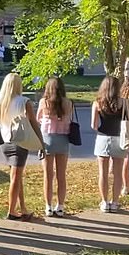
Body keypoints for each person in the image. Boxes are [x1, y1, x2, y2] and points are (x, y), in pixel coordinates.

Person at [0, 73, 45, 221]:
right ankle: (11, 210)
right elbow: (33, 123)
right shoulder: (24, 101)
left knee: (16, 176)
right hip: (19, 141)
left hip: (4, 141)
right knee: (16, 177)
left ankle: (22, 208)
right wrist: (41, 142)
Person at [36, 77, 72, 217]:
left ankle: (48, 206)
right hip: (63, 139)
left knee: (48, 175)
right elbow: (69, 119)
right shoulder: (68, 103)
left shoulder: (44, 102)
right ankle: (61, 206)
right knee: (61, 175)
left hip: (47, 139)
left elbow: (38, 118)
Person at [91, 76, 126, 213]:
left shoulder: (98, 103)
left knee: (103, 173)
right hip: (119, 138)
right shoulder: (123, 103)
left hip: (103, 138)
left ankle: (104, 202)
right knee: (118, 173)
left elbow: (93, 125)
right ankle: (115, 202)